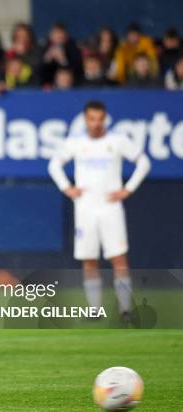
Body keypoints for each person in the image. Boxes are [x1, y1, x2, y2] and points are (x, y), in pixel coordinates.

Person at [48, 100, 151, 320]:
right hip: (85, 209)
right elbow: (54, 164)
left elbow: (143, 162)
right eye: (91, 119)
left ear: (105, 119)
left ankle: (125, 309)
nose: (95, 123)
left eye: (99, 119)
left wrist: (128, 189)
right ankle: (95, 309)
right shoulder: (75, 142)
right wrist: (67, 187)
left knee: (118, 258)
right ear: (85, 119)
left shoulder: (118, 140)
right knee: (89, 259)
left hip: (111, 208)